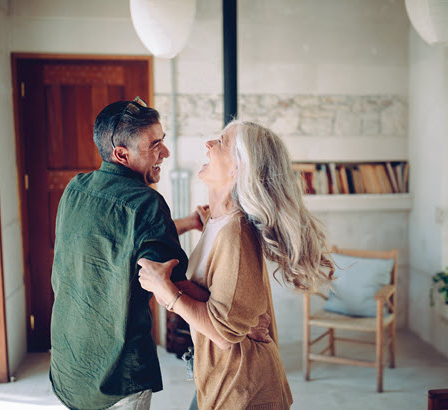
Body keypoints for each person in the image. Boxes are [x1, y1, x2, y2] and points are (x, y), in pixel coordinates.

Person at [137, 120, 335, 410]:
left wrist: (167, 293)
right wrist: (244, 320)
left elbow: (223, 333)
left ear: (239, 167)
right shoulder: (217, 223)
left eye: (221, 143)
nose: (208, 145)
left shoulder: (235, 233)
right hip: (222, 379)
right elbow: (222, 305)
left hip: (244, 389)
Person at [49, 97, 207, 409]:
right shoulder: (147, 203)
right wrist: (235, 316)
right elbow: (170, 290)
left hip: (69, 365)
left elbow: (122, 237)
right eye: (155, 144)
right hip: (116, 376)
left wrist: (188, 223)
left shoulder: (76, 188)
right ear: (122, 154)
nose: (165, 152)